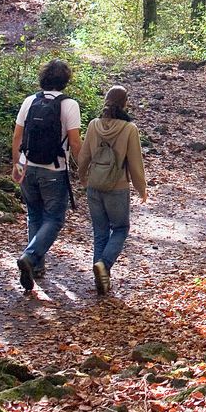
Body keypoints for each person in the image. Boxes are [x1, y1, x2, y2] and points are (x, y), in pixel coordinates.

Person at [11, 58, 81, 291]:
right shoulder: (69, 105)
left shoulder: (30, 101)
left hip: (28, 165)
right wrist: (83, 167)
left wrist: (17, 165)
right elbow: (74, 142)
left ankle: (37, 266)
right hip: (54, 169)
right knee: (55, 218)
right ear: (65, 80)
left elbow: (17, 137)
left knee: (34, 214)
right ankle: (30, 257)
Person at [78, 84, 147, 295]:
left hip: (94, 185)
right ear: (125, 103)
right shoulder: (129, 129)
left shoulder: (93, 125)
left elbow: (84, 156)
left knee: (100, 231)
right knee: (120, 228)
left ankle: (101, 278)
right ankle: (104, 265)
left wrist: (83, 177)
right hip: (117, 187)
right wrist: (141, 188)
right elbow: (135, 163)